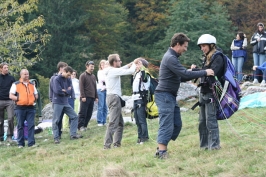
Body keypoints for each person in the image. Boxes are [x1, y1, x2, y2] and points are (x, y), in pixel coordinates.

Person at [154, 33, 214, 159]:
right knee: (167, 124)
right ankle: (162, 152)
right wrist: (205, 72)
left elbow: (181, 76)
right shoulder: (170, 57)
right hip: (164, 96)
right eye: (185, 46)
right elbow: (185, 75)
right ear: (177, 44)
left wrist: (194, 72)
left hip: (170, 96)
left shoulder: (173, 58)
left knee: (177, 125)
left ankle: (160, 147)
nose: (186, 49)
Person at [194, 34, 225, 151]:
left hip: (212, 92)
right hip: (203, 91)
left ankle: (215, 146)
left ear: (211, 45)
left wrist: (197, 71)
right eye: (201, 46)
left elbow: (212, 72)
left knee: (210, 120)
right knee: (202, 122)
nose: (202, 48)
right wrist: (197, 70)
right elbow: (204, 72)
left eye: (204, 46)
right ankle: (204, 146)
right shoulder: (206, 58)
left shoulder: (218, 57)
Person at [103, 54, 136, 149]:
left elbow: (122, 69)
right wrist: (134, 64)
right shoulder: (113, 71)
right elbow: (130, 71)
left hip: (111, 97)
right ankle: (107, 145)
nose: (120, 62)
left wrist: (129, 64)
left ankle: (117, 144)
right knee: (113, 123)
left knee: (120, 123)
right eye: (119, 60)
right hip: (114, 98)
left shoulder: (111, 70)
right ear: (114, 62)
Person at [52, 66, 82, 144]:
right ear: (64, 71)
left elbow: (70, 89)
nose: (69, 77)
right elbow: (57, 91)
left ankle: (73, 134)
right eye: (68, 75)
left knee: (74, 116)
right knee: (56, 120)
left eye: (70, 75)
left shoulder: (68, 79)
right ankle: (56, 137)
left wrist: (65, 90)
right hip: (57, 102)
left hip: (65, 102)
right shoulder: (56, 79)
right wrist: (66, 90)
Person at [9, 69, 38, 148]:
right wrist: (19, 99)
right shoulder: (16, 84)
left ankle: (31, 143)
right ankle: (20, 143)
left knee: (31, 125)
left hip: (30, 107)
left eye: (27, 74)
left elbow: (36, 94)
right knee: (20, 125)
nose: (26, 76)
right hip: (20, 108)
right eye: (25, 74)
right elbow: (11, 95)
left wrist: (34, 99)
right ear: (21, 75)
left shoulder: (32, 84)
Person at [132, 58, 150, 144]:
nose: (136, 66)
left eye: (138, 64)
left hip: (140, 98)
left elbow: (145, 80)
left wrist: (142, 68)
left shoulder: (145, 73)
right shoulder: (136, 74)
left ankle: (144, 137)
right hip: (135, 98)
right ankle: (139, 137)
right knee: (137, 120)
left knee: (142, 119)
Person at [49, 61, 68, 138]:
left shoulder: (65, 78)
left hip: (64, 100)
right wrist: (51, 98)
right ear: (60, 68)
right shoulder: (54, 78)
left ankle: (59, 133)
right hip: (56, 100)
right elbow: (52, 89)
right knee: (57, 118)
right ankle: (56, 134)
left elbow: (68, 89)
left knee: (61, 117)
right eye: (65, 68)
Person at [78, 61, 98, 131]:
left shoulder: (93, 76)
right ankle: (80, 126)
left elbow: (95, 87)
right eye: (91, 66)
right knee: (83, 112)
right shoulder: (83, 75)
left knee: (89, 113)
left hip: (92, 97)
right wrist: (83, 96)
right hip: (85, 97)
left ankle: (85, 125)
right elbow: (81, 87)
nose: (92, 68)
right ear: (87, 66)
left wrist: (96, 96)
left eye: (93, 66)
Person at [0, 63, 16, 143]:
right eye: (5, 68)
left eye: (7, 67)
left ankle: (10, 136)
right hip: (0, 100)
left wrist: (15, 98)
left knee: (10, 118)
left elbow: (16, 89)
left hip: (9, 101)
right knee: (0, 120)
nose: (6, 69)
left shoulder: (11, 78)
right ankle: (1, 136)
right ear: (1, 69)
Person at [97, 60, 108, 126]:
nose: (103, 66)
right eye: (102, 65)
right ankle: (100, 121)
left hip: (106, 89)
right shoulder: (100, 72)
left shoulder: (108, 71)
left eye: (104, 64)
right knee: (101, 106)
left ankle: (104, 120)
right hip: (101, 89)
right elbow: (102, 80)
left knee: (105, 106)